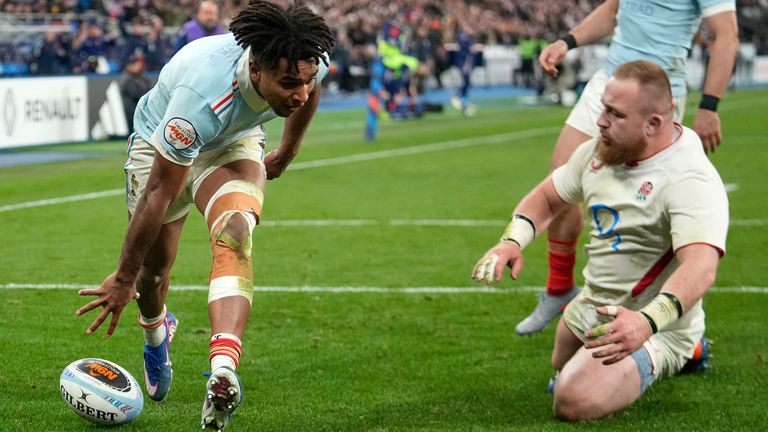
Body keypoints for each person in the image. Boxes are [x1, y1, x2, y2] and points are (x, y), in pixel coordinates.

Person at [75, 1, 334, 430]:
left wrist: (287, 152)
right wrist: (124, 278)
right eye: (290, 84)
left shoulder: (305, 58)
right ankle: (156, 329)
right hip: (161, 143)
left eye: (306, 81)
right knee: (153, 274)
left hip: (234, 138)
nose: (301, 93)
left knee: (237, 231)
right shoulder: (199, 100)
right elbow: (159, 193)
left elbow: (311, 90)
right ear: (256, 71)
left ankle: (223, 370)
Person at [472, 60, 728, 420]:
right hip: (597, 304)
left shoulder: (689, 178)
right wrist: (511, 241)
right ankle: (655, 351)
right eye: (603, 107)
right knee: (561, 360)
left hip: (654, 324)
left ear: (653, 123)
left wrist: (646, 323)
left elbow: (701, 268)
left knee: (571, 400)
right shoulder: (600, 152)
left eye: (614, 113)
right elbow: (546, 198)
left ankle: (685, 348)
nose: (600, 120)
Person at [515, 0, 738, 335]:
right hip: (611, 83)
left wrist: (710, 105)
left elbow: (727, 35)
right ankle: (559, 289)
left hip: (654, 96)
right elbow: (613, 11)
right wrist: (567, 41)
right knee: (559, 178)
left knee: (650, 217)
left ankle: (685, 334)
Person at [119, 53, 152, 136]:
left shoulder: (143, 79)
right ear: (130, 65)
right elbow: (137, 94)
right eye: (136, 64)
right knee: (133, 134)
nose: (139, 66)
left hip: (141, 111)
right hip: (132, 111)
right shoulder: (127, 79)